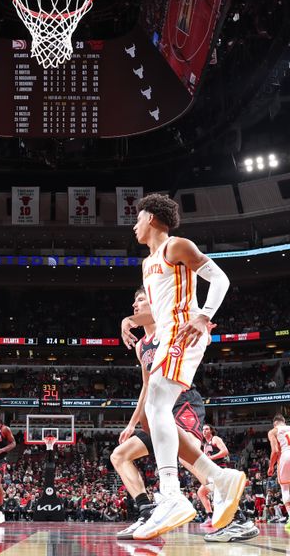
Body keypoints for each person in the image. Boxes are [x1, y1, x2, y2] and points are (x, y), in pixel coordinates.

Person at [121, 193, 246, 539]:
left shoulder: (176, 246)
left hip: (184, 331)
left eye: (138, 217)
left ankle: (172, 494)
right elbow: (158, 311)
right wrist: (130, 319)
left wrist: (204, 316)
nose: (134, 224)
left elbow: (220, 279)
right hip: (168, 333)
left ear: (153, 219)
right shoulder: (148, 264)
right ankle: (220, 478)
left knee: (156, 402)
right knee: (155, 407)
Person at [113, 289, 257, 543]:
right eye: (133, 301)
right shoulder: (140, 347)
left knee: (188, 457)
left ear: (155, 303)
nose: (135, 304)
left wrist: (128, 320)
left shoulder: (169, 329)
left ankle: (239, 519)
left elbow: (197, 337)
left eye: (141, 299)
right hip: (156, 406)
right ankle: (147, 512)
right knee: (120, 455)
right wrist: (133, 422)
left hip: (182, 401)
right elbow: (147, 387)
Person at [197, 424, 229, 527]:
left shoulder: (215, 439)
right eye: (203, 429)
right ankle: (210, 516)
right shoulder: (205, 444)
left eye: (206, 429)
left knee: (219, 496)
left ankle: (230, 517)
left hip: (219, 470)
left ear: (211, 431)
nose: (204, 431)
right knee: (201, 492)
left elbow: (225, 451)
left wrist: (211, 458)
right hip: (211, 472)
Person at [267, 413, 290, 531]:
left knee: (285, 488)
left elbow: (275, 451)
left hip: (286, 456)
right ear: (284, 421)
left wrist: (271, 466)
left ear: (275, 423)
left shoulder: (273, 431)